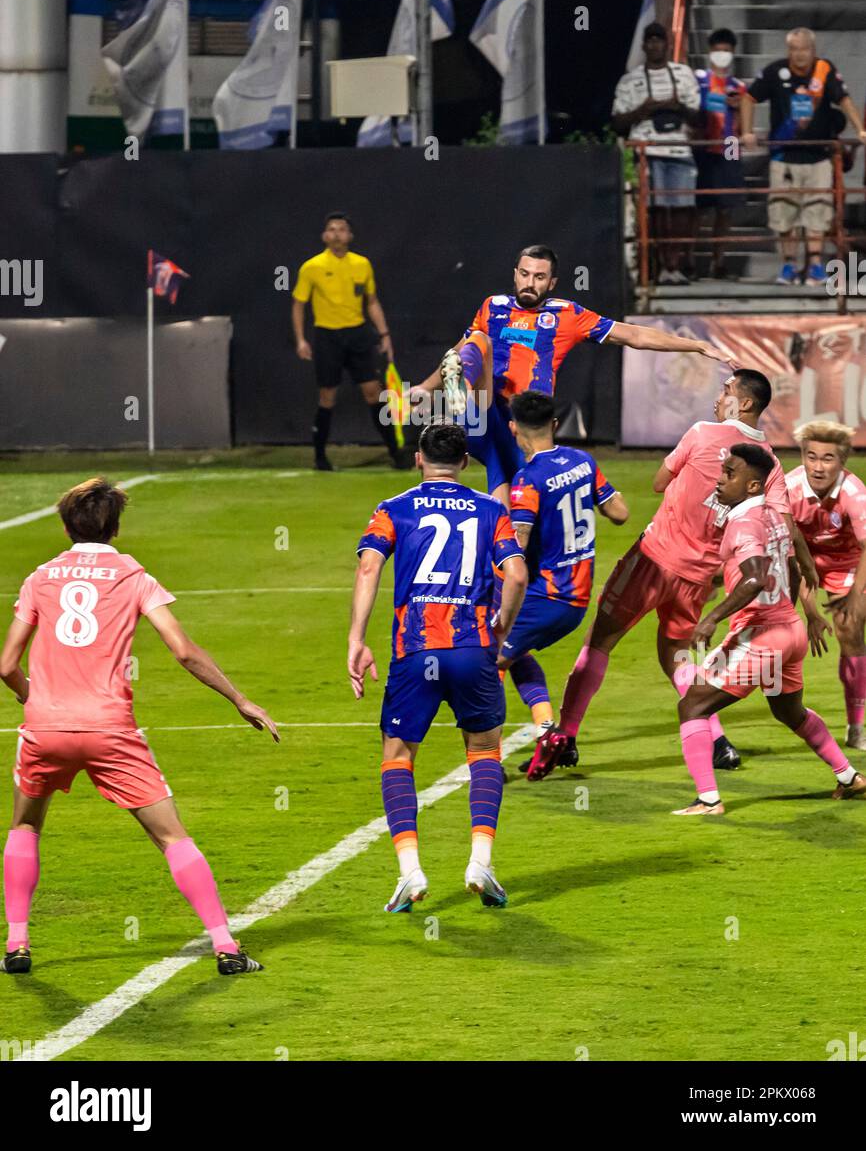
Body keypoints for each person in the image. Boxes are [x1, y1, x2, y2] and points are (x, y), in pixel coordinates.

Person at [0, 478, 278, 977]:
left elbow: (5, 665)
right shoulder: (132, 575)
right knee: (172, 838)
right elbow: (184, 651)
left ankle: (17, 946)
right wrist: (239, 699)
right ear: (116, 527)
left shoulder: (40, 577)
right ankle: (226, 948)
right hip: (110, 729)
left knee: (24, 825)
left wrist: (30, 695)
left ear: (65, 526)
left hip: (45, 727)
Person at [527, 368, 820, 781]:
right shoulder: (768, 462)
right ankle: (718, 741)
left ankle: (568, 736)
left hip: (654, 558)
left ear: (746, 403)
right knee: (677, 656)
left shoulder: (701, 432)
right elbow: (783, 527)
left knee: (602, 640)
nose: (719, 397)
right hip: (700, 576)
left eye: (727, 391)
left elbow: (659, 482)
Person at [349, 422, 527, 913]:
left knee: (398, 755)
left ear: (418, 460)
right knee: (485, 749)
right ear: (466, 463)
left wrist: (356, 639)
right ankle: (480, 861)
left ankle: (410, 872)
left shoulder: (393, 508)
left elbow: (369, 567)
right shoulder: (493, 510)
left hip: (415, 651)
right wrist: (502, 626)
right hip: (474, 649)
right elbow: (516, 573)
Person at [409, 244, 736, 506]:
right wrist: (425, 386)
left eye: (539, 277)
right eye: (524, 274)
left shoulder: (568, 315)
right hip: (483, 407)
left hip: (523, 423)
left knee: (509, 503)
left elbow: (633, 335)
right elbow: (462, 350)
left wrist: (695, 345)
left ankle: (507, 570)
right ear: (515, 274)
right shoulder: (493, 305)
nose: (530, 282)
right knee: (478, 340)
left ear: (551, 283)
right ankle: (460, 395)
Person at [673, 444, 865, 815]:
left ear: (752, 485)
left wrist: (713, 618)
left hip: (761, 637)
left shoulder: (744, 521)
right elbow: (791, 563)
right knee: (789, 712)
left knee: (692, 705)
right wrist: (795, 615)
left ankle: (708, 800)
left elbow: (756, 578)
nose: (720, 480)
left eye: (729, 474)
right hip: (788, 632)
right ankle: (849, 776)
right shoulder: (776, 515)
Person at [498, 392, 628, 769]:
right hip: (577, 598)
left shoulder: (528, 480)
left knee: (486, 660)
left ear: (512, 428)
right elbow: (620, 512)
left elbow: (516, 549)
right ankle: (551, 734)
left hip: (547, 596)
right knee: (512, 650)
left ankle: (486, 759)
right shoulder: (582, 461)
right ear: (554, 425)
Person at [740, 28, 866, 286]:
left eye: (804, 49)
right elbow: (748, 98)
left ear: (813, 50)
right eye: (794, 49)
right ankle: (788, 265)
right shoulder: (775, 72)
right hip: (783, 156)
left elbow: (844, 100)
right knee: (783, 212)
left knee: (817, 212)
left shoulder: (824, 70)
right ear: (788, 51)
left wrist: (860, 129)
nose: (799, 54)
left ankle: (816, 266)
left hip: (818, 157)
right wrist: (746, 132)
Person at [292, 212, 411, 471]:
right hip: (327, 336)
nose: (337, 234)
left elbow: (372, 302)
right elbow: (299, 305)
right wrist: (301, 339)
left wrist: (385, 334)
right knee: (327, 396)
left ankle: (396, 452)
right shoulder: (311, 267)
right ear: (325, 236)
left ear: (350, 236)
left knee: (374, 392)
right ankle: (320, 457)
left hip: (357, 335)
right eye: (332, 229)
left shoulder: (362, 264)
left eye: (342, 229)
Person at [787, 421, 866, 750]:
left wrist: (855, 599)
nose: (818, 467)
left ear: (842, 461)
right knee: (773, 627)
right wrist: (810, 611)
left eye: (828, 458)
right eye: (812, 457)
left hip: (849, 562)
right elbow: (792, 552)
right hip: (804, 560)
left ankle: (856, 726)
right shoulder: (789, 489)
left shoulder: (854, 492)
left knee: (849, 630)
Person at [612, 23, 702, 285]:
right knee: (658, 210)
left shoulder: (684, 74)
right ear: (643, 45)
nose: (654, 45)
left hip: (680, 149)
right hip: (648, 151)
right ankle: (662, 266)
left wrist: (677, 107)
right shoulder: (630, 79)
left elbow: (698, 116)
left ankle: (680, 264)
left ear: (668, 44)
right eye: (649, 40)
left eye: (659, 40)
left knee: (683, 209)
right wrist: (644, 110)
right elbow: (617, 121)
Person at [694, 29, 746, 280]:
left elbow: (745, 126)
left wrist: (737, 110)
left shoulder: (739, 87)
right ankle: (689, 260)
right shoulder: (698, 81)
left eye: (726, 51)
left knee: (726, 210)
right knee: (699, 209)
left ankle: (719, 261)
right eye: (718, 50)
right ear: (710, 52)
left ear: (733, 53)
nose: (722, 55)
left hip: (730, 149)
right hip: (702, 149)